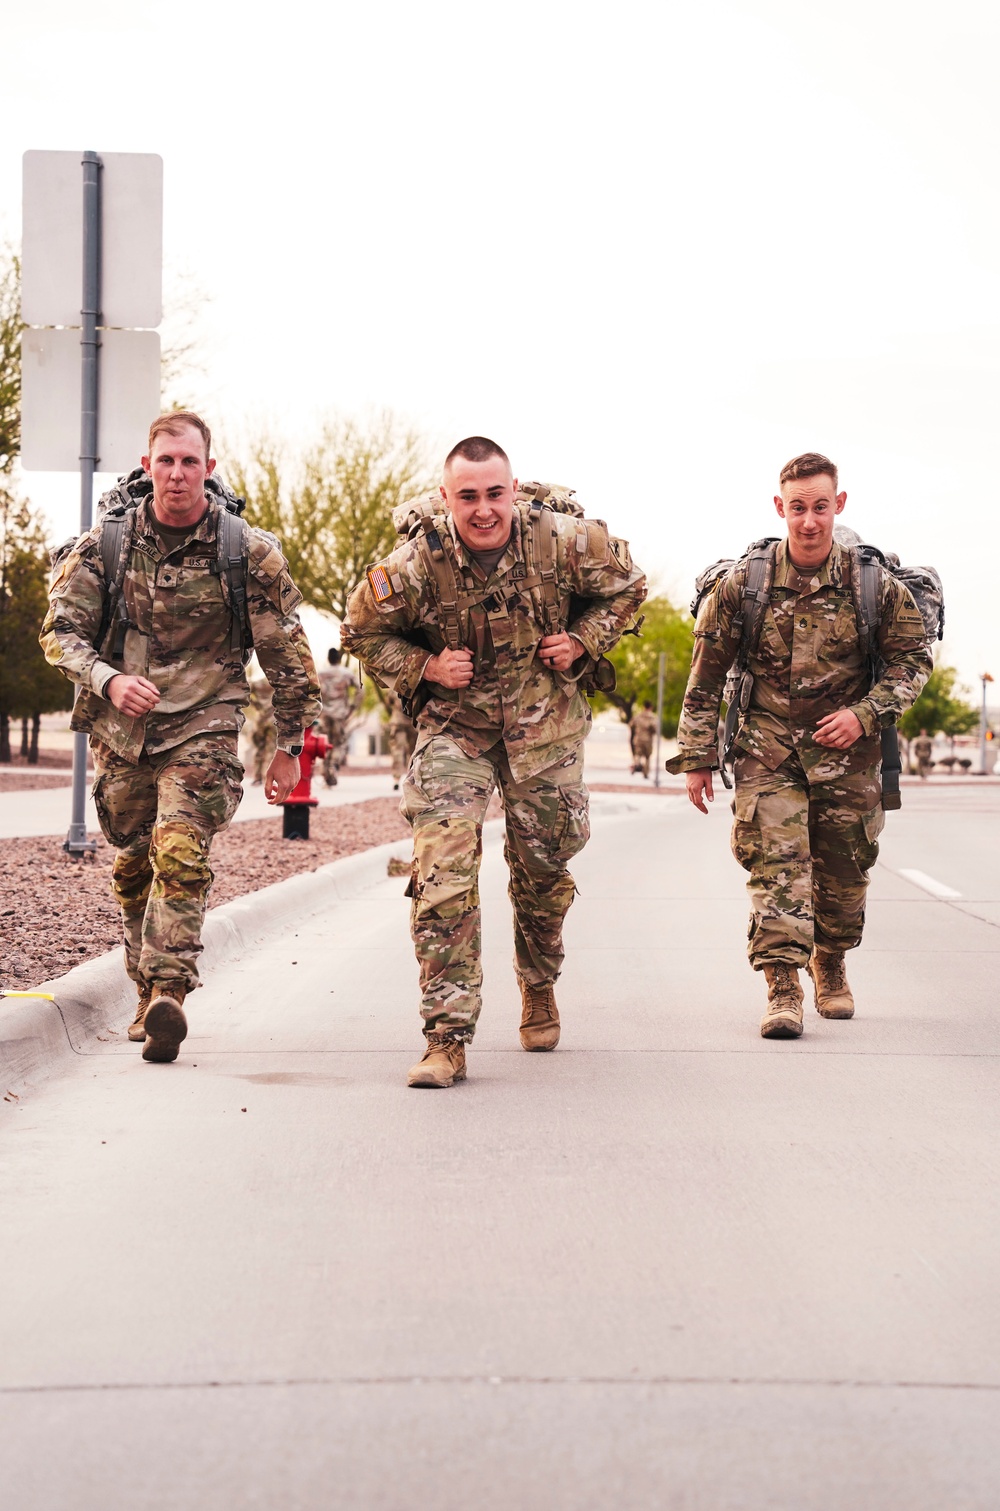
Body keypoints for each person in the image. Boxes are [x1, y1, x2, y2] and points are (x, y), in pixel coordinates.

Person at [342, 436, 646, 1087]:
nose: (484, 510)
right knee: (443, 874)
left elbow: (630, 585)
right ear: (447, 498)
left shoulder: (564, 542)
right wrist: (423, 664)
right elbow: (361, 628)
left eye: (495, 493)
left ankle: (538, 982)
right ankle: (445, 1037)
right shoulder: (415, 566)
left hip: (546, 730)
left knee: (543, 873)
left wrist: (584, 641)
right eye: (469, 496)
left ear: (513, 490)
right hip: (456, 732)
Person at [41, 410, 320, 1064]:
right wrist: (108, 679)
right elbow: (60, 633)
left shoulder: (245, 552)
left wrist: (289, 746)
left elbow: (287, 657)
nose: (175, 473)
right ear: (147, 465)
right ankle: (145, 986)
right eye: (164, 461)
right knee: (134, 861)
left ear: (209, 469)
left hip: (207, 721)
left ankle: (170, 991)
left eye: (189, 462)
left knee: (182, 849)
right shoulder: (106, 545)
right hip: (125, 731)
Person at [667, 452, 931, 1040]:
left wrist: (865, 716)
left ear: (838, 505)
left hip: (848, 756)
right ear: (780, 508)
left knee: (844, 875)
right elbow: (705, 674)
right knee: (778, 868)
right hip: (768, 748)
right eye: (797, 508)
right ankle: (782, 987)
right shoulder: (746, 585)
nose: (808, 521)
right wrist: (697, 757)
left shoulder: (873, 586)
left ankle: (830, 961)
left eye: (819, 507)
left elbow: (913, 663)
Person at [318, 647, 359, 785]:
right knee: (338, 742)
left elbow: (312, 690)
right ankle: (333, 765)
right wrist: (353, 706)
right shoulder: (346, 673)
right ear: (339, 659)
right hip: (340, 713)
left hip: (324, 713)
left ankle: (325, 770)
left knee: (324, 742)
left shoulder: (321, 674)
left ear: (328, 659)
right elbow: (360, 688)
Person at [245, 677, 276, 784]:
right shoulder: (277, 683)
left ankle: (257, 777)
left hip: (260, 719)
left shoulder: (258, 683)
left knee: (259, 748)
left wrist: (256, 704)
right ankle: (267, 776)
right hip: (273, 719)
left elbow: (244, 691)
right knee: (271, 749)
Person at [387, 690, 418, 790]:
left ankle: (396, 778)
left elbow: (389, 701)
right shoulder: (418, 682)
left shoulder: (395, 684)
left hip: (398, 721)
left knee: (397, 750)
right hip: (414, 722)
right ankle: (414, 777)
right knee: (414, 751)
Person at [629, 700, 658, 777]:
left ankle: (637, 764)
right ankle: (646, 773)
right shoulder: (653, 717)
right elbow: (655, 729)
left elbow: (631, 724)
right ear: (651, 707)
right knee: (647, 757)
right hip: (648, 740)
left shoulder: (638, 716)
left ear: (644, 707)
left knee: (638, 754)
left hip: (638, 739)